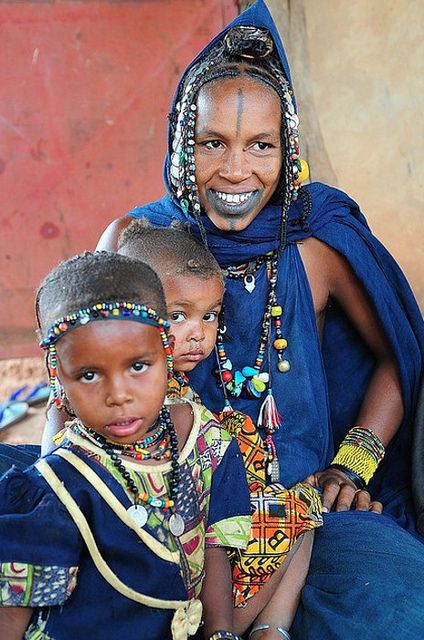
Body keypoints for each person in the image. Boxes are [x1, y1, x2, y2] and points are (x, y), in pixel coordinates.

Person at [96, 1, 424, 638]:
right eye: (212, 143)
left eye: (261, 146)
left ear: (288, 148)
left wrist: (350, 466)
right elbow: (94, 360)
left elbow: (397, 356)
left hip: (301, 511)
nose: (236, 170)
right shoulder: (135, 239)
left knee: (397, 606)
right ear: (181, 144)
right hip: (167, 505)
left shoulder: (317, 242)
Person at [0, 251, 252, 640]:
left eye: (137, 366)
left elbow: (215, 545)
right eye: (87, 375)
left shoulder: (208, 442)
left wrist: (221, 633)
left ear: (166, 350)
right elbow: (13, 617)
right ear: (58, 376)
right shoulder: (56, 485)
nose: (118, 395)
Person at [117, 219, 324, 639]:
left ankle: (271, 629)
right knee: (295, 510)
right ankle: (257, 627)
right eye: (178, 316)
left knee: (299, 502)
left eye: (210, 316)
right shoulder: (149, 393)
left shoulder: (171, 385)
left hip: (196, 523)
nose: (198, 333)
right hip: (172, 539)